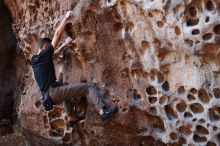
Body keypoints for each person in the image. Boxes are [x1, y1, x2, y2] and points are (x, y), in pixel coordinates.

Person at [31, 11, 118, 126]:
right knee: (90, 86)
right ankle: (103, 111)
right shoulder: (44, 54)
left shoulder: (35, 60)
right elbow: (57, 34)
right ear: (45, 48)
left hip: (50, 97)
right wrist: (66, 18)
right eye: (49, 48)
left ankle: (71, 117)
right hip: (54, 92)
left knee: (66, 91)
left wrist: (64, 45)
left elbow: (54, 55)